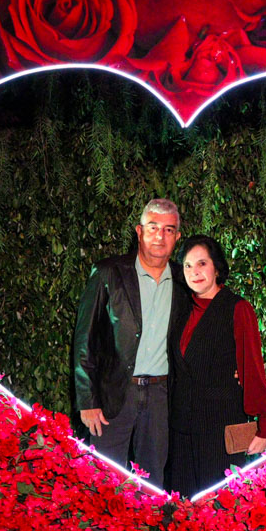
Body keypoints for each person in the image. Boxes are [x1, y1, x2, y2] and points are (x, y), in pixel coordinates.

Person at [72, 198, 190, 483]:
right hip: (114, 392)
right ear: (139, 231)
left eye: (169, 230)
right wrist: (87, 401)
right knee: (104, 479)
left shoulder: (185, 280)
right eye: (153, 227)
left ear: (177, 237)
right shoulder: (109, 273)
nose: (160, 236)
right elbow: (84, 340)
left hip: (162, 396)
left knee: (152, 482)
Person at [168, 235, 266, 496]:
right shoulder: (182, 310)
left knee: (217, 510)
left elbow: (252, 368)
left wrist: (264, 425)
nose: (194, 272)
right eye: (187, 265)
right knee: (180, 511)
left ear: (216, 268)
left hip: (219, 430)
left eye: (202, 263)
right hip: (181, 431)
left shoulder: (237, 309)